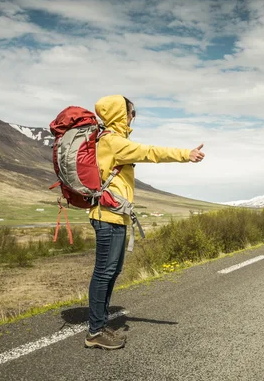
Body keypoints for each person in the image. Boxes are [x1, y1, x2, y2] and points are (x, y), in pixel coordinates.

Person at [84, 95, 205, 350]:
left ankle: (100, 324)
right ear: (120, 114)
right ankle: (95, 331)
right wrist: (186, 154)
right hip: (107, 218)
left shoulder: (112, 141)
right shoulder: (113, 142)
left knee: (111, 272)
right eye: (131, 112)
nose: (133, 117)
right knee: (104, 273)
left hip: (115, 216)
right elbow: (150, 152)